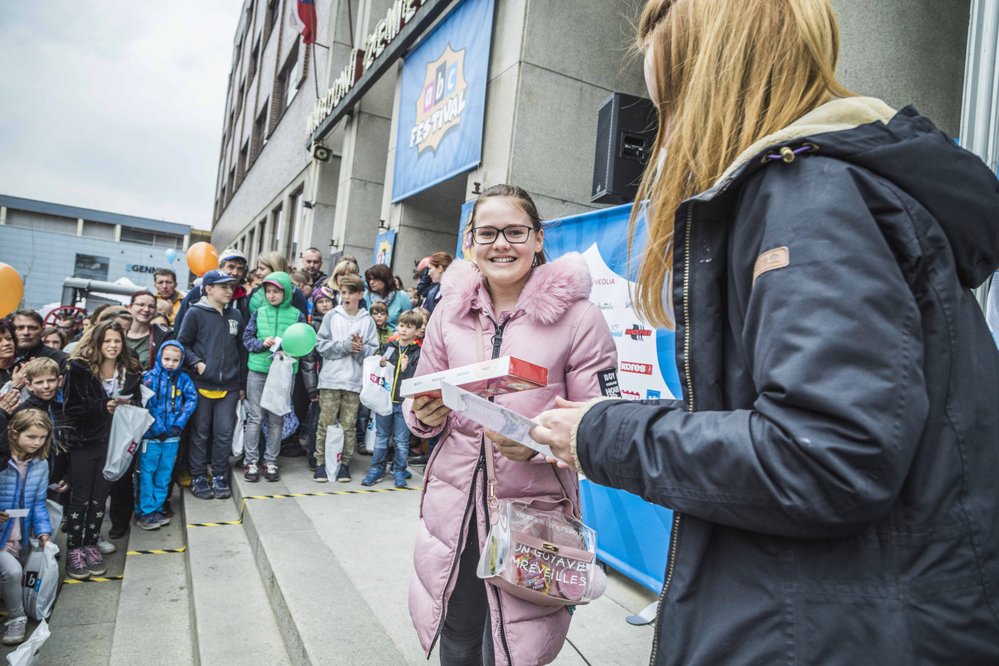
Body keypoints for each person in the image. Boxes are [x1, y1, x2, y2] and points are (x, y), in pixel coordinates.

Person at [530, 1, 999, 664]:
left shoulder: (810, 197)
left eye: (671, 102)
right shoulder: (819, 193)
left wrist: (602, 435)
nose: (667, 135)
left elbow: (822, 455)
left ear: (714, 79)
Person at [404, 184, 618, 664]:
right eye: (488, 232)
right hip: (453, 508)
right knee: (458, 633)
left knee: (515, 647)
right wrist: (420, 416)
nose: (501, 243)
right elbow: (420, 394)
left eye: (515, 231)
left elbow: (599, 421)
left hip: (535, 512)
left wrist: (535, 445)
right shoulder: (447, 313)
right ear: (470, 243)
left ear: (538, 239)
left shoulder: (580, 318)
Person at [59, 320, 142, 580]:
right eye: (107, 341)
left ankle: (91, 543)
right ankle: (75, 548)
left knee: (99, 498)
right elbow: (71, 410)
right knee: (81, 497)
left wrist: (129, 406)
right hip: (85, 442)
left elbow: (137, 401)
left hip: (114, 443)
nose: (113, 345)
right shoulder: (78, 368)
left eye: (117, 341)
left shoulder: (129, 370)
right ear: (96, 342)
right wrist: (102, 407)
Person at [176, 270, 247, 501]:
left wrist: (241, 382)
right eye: (223, 287)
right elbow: (182, 344)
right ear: (208, 289)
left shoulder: (235, 314)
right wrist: (197, 363)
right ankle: (198, 475)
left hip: (229, 386)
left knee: (224, 433)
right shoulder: (194, 313)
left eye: (231, 287)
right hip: (201, 384)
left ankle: (218, 474)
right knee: (200, 432)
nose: (229, 291)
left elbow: (241, 350)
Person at [241, 272, 306, 483]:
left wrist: (289, 352)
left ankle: (271, 461)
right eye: (268, 291)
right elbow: (247, 339)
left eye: (276, 291)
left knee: (276, 418)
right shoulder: (258, 312)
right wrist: (261, 344)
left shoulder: (297, 315)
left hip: (283, 372)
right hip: (258, 371)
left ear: (286, 292)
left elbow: (304, 344)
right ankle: (250, 461)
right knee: (255, 417)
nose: (271, 295)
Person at [314, 274, 377, 483]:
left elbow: (373, 352)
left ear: (361, 294)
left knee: (348, 424)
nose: (346, 296)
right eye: (343, 292)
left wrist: (359, 349)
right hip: (330, 379)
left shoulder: (367, 321)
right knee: (326, 422)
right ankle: (321, 463)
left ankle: (343, 464)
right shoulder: (332, 316)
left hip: (354, 382)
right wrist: (345, 346)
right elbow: (321, 346)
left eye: (351, 292)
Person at [0, 409, 54, 645]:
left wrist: (43, 531)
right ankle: (16, 617)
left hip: (21, 536)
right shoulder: (2, 463)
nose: (37, 442)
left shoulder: (40, 464)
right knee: (11, 572)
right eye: (31, 437)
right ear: (14, 433)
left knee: (17, 575)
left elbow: (39, 503)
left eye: (42, 437)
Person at [135, 341, 197, 530]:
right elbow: (146, 404)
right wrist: (158, 427)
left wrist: (179, 424)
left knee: (164, 474)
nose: (170, 363)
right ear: (160, 357)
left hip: (172, 436)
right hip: (150, 437)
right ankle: (145, 511)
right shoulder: (148, 378)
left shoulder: (183, 379)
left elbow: (192, 399)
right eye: (167, 359)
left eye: (175, 360)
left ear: (181, 361)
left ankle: (157, 507)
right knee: (147, 474)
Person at [361, 310, 422, 489]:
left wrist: (407, 368)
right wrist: (380, 365)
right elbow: (380, 369)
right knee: (381, 437)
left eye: (409, 327)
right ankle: (376, 468)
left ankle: (399, 470)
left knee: (402, 441)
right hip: (384, 402)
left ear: (417, 331)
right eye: (402, 325)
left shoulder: (418, 352)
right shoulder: (389, 347)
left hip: (404, 403)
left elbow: (418, 378)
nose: (403, 330)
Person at [174, 248, 250, 330]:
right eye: (231, 267)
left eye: (240, 269)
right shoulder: (197, 293)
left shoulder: (243, 299)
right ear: (220, 268)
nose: (235, 273)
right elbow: (180, 325)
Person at [250, 252, 310, 316]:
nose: (257, 272)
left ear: (275, 269)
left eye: (262, 269)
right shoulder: (256, 291)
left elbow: (302, 323)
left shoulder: (294, 293)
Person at [125, 290, 172, 370]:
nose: (146, 309)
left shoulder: (164, 335)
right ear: (129, 307)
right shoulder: (116, 331)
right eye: (141, 305)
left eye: (151, 306)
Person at [364, 264, 411, 331]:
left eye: (375, 279)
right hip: (371, 337)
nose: (371, 282)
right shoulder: (366, 295)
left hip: (395, 337)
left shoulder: (401, 296)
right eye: (369, 279)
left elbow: (409, 321)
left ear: (385, 279)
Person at [424, 252, 453, 316]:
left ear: (440, 268)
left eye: (430, 268)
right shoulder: (432, 292)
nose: (428, 273)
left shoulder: (456, 292)